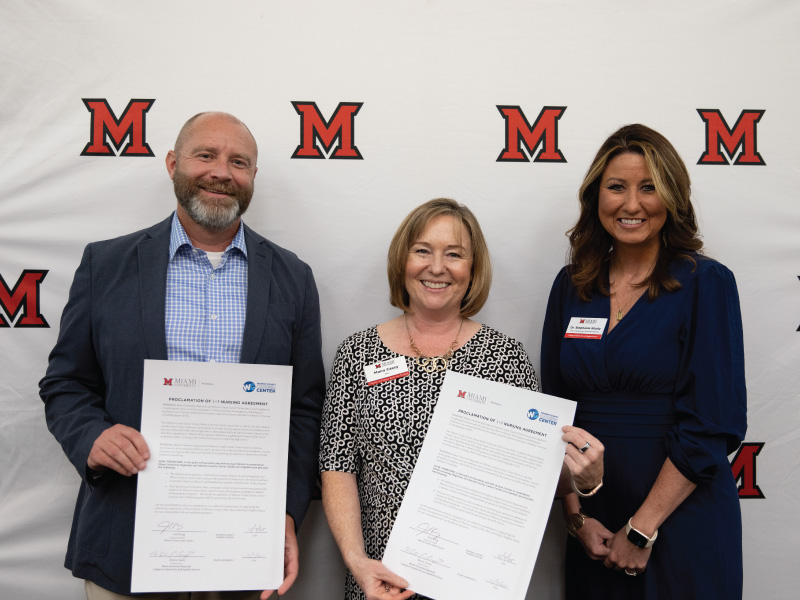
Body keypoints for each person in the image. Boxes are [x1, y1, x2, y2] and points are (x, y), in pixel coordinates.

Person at [39, 112, 325, 600]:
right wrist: (93, 436)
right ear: (173, 163)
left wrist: (287, 511)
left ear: (253, 177)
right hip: (125, 541)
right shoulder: (104, 265)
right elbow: (66, 384)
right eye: (205, 155)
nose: (222, 172)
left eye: (239, 161)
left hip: (243, 545)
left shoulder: (293, 278)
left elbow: (304, 408)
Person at [320, 198, 603, 600]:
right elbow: (336, 465)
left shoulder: (505, 357)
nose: (437, 267)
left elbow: (536, 473)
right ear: (402, 261)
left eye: (454, 254)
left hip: (476, 584)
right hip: (379, 581)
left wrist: (583, 481)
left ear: (473, 269)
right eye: (422, 251)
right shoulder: (357, 353)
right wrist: (355, 559)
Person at [541, 124, 747, 599]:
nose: (632, 205)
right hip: (595, 521)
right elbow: (554, 415)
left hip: (680, 518)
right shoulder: (571, 285)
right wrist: (577, 517)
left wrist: (641, 529)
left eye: (649, 187)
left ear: (672, 196)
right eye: (617, 187)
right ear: (597, 196)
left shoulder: (705, 283)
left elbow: (714, 424)